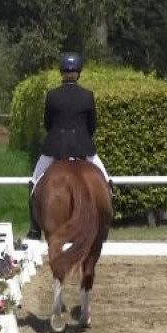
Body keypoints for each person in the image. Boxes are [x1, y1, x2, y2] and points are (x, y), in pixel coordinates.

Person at [26, 52, 111, 240]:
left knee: (34, 182)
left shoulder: (52, 96)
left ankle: (34, 229)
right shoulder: (87, 96)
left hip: (55, 147)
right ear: (79, 72)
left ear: (61, 72)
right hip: (83, 147)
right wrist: (81, 138)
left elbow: (48, 123)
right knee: (105, 180)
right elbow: (92, 125)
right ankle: (104, 225)